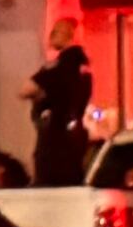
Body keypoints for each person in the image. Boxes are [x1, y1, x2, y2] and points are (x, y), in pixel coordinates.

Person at [27, 32, 96, 191]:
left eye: (55, 34)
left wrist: (40, 97)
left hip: (53, 142)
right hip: (74, 140)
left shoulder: (57, 67)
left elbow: (25, 90)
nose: (50, 39)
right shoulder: (84, 71)